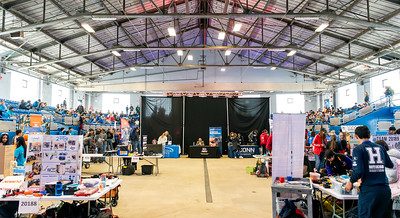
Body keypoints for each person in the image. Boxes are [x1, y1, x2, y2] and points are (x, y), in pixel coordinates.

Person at [345, 126, 393, 218]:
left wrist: (350, 182)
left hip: (369, 191)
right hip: (385, 190)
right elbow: (390, 164)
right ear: (369, 135)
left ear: (356, 136)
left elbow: (358, 171)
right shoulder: (381, 148)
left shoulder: (358, 149)